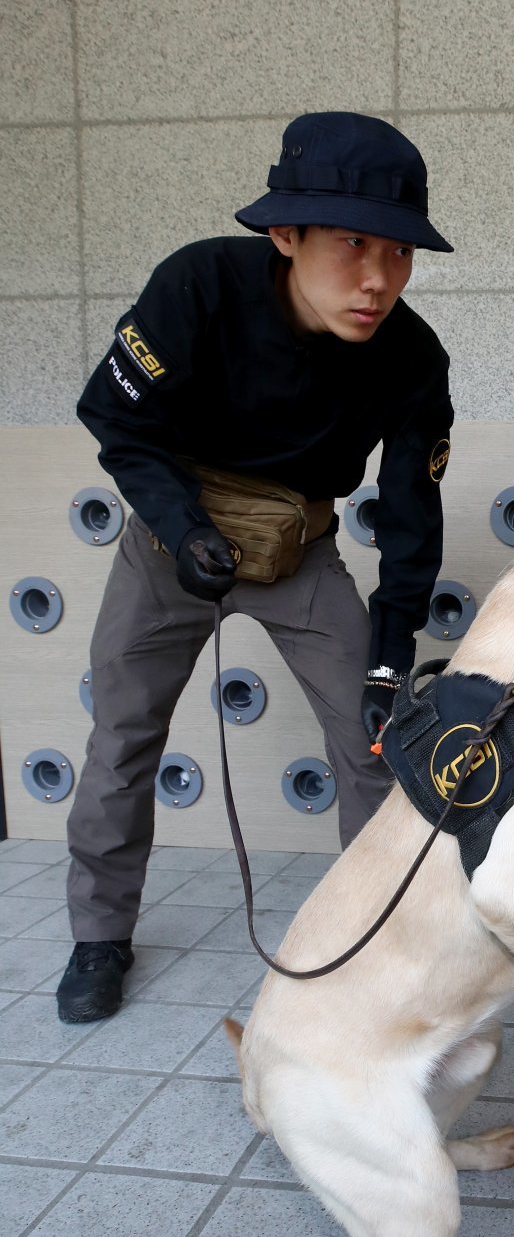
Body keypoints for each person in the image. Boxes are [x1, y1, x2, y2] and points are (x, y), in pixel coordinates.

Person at [56, 111, 455, 1024]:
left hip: (301, 553)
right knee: (122, 737)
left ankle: (381, 934)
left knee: (375, 741)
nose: (378, 278)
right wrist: (179, 523)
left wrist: (391, 655)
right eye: (354, 243)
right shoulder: (197, 284)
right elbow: (119, 420)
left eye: (399, 253)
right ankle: (97, 934)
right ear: (286, 234)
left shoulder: (413, 356)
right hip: (171, 544)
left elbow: (409, 515)